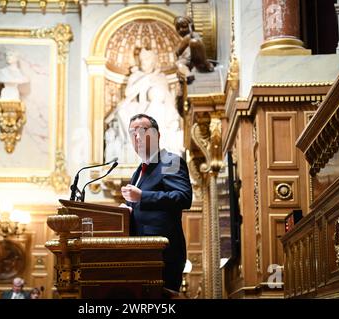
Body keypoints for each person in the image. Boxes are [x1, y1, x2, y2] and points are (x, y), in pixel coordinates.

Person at [120, 114, 192, 293]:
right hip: (140, 254)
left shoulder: (169, 161)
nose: (137, 136)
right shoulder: (138, 172)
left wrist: (142, 196)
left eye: (142, 130)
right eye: (132, 132)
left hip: (162, 254)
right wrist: (126, 211)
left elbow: (183, 197)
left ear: (157, 135)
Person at [106, 48, 183, 163]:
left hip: (156, 106)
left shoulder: (160, 76)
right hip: (138, 106)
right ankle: (132, 143)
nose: (143, 62)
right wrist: (145, 79)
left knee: (159, 109)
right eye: (141, 60)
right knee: (122, 112)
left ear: (153, 61)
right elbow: (128, 93)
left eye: (146, 59)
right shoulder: (135, 75)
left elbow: (165, 96)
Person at [174, 16, 214, 83]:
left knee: (194, 42)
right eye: (178, 28)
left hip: (199, 60)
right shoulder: (183, 40)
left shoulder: (193, 35)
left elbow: (178, 51)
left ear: (190, 26)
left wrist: (177, 53)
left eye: (184, 26)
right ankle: (188, 75)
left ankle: (205, 65)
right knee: (179, 64)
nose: (181, 30)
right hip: (189, 62)